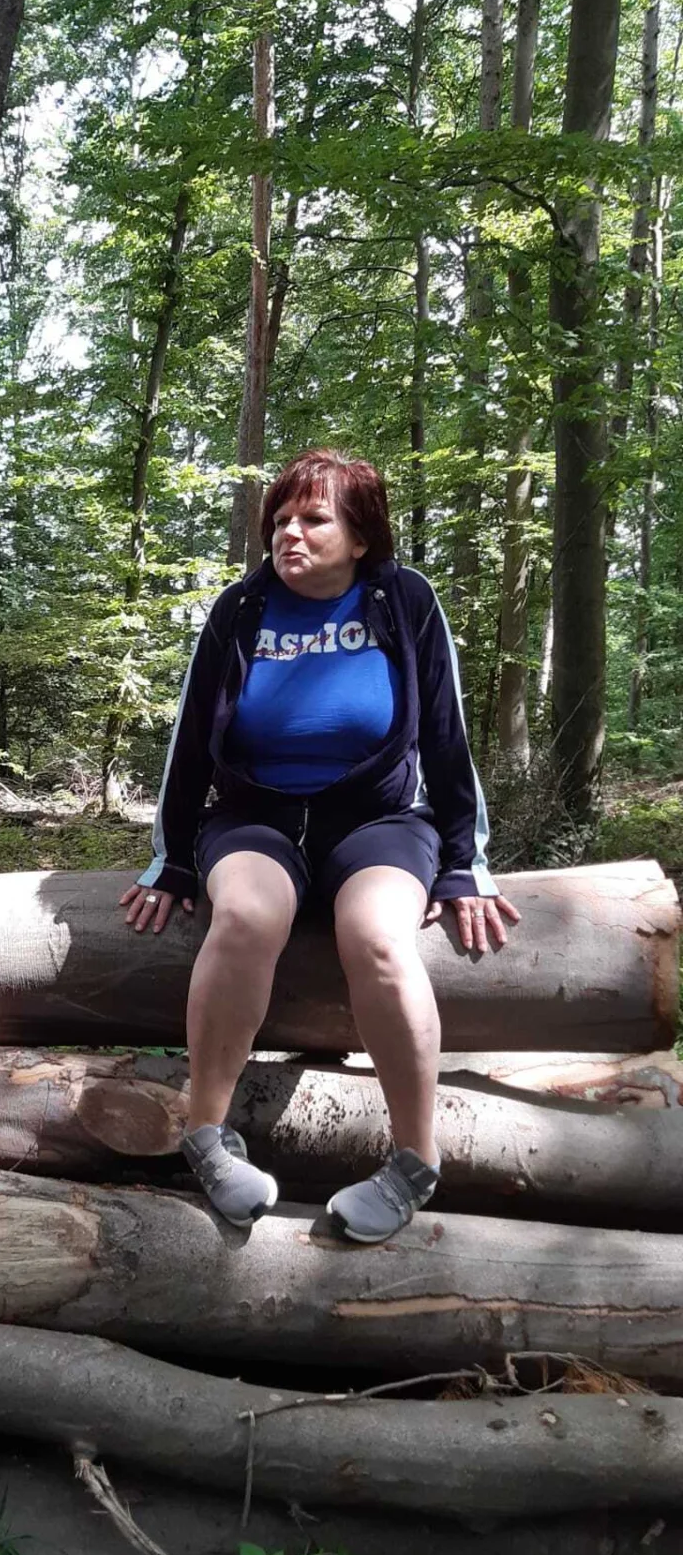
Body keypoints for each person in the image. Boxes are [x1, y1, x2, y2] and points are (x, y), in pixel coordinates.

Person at [119, 449, 519, 1242]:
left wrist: (464, 866)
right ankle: (207, 1137)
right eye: (279, 520)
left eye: (313, 519)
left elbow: (447, 737)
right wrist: (171, 860)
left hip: (377, 821)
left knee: (377, 938)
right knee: (243, 918)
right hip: (255, 818)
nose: (288, 534)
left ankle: (415, 1159)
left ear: (361, 536)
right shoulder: (241, 608)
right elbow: (190, 740)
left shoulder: (403, 601)